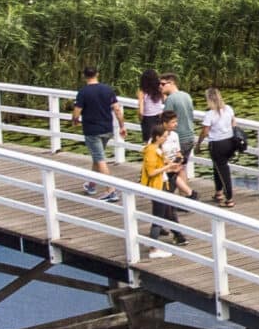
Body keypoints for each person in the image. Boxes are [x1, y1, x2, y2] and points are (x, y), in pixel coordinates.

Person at [67, 66, 125, 201]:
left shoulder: (83, 92)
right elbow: (116, 109)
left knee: (99, 159)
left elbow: (77, 111)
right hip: (107, 129)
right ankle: (91, 184)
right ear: (97, 74)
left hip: (92, 130)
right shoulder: (107, 89)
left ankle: (111, 190)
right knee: (97, 157)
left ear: (84, 76)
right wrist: (122, 126)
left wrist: (74, 120)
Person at [138, 120, 190, 256]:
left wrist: (173, 166)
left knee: (161, 215)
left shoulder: (157, 150)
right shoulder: (151, 151)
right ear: (157, 137)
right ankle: (154, 249)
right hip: (157, 187)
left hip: (162, 184)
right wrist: (167, 167)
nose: (166, 138)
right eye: (164, 136)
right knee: (158, 219)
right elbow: (151, 172)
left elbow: (163, 163)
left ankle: (157, 242)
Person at [198, 86, 239, 207]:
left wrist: (199, 143)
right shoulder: (228, 109)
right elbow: (234, 123)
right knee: (217, 167)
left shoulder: (210, 114)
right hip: (229, 142)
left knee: (223, 170)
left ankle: (229, 198)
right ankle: (218, 192)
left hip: (217, 144)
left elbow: (205, 131)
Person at [161, 72, 197, 161]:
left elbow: (166, 122)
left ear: (172, 83)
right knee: (181, 168)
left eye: (163, 84)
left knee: (173, 169)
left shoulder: (171, 99)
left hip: (179, 139)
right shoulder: (187, 95)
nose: (160, 86)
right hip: (190, 138)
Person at [136, 69, 167, 142]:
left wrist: (141, 119)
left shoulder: (142, 92)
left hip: (148, 120)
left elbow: (141, 111)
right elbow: (165, 100)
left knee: (149, 143)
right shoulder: (159, 89)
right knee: (159, 142)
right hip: (159, 118)